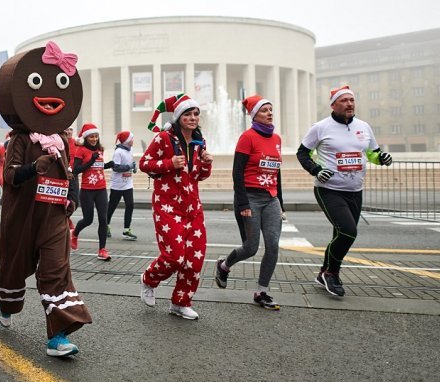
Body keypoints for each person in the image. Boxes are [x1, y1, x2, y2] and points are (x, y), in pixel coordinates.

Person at [0, 41, 91, 357]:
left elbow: (69, 174)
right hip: (22, 218)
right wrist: (34, 168)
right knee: (14, 268)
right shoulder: (20, 139)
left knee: (55, 272)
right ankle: (7, 304)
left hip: (53, 218)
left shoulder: (62, 139)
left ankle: (58, 336)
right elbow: (9, 176)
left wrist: (72, 200)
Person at [297, 85, 392, 297]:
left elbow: (372, 153)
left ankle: (324, 272)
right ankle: (332, 273)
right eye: (344, 100)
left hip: (355, 190)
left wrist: (382, 159)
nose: (349, 104)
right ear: (333, 105)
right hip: (329, 189)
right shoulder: (321, 127)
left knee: (340, 233)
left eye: (351, 100)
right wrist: (316, 169)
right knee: (349, 232)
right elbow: (302, 153)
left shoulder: (364, 126)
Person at [139, 94, 213, 320]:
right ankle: (148, 279)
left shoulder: (200, 141)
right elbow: (144, 164)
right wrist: (169, 163)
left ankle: (181, 302)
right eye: (188, 114)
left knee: (194, 260)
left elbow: (198, 176)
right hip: (167, 205)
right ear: (179, 117)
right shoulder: (164, 138)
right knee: (174, 257)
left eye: (196, 114)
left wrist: (207, 164)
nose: (193, 118)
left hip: (193, 208)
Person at [215, 96, 284, 310]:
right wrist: (243, 204)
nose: (270, 113)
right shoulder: (247, 137)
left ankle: (262, 291)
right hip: (250, 198)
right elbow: (237, 172)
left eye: (271, 109)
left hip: (270, 199)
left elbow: (276, 173)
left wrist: (281, 202)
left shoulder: (277, 139)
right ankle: (224, 266)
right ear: (254, 115)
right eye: (264, 110)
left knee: (272, 246)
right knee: (251, 248)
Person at [72, 123, 110, 260]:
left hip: (101, 189)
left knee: (103, 219)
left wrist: (109, 165)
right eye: (91, 137)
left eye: (96, 136)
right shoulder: (81, 150)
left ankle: (102, 250)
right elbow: (76, 170)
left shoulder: (100, 149)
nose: (94, 139)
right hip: (87, 190)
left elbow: (98, 167)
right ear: (86, 138)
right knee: (88, 220)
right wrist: (90, 161)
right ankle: (75, 234)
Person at [106, 130, 138, 241]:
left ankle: (126, 229)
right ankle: (106, 225)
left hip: (128, 183)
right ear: (127, 141)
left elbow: (131, 163)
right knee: (112, 206)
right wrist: (128, 166)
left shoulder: (130, 150)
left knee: (130, 205)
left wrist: (134, 167)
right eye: (131, 139)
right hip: (117, 184)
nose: (133, 140)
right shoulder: (118, 152)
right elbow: (115, 167)